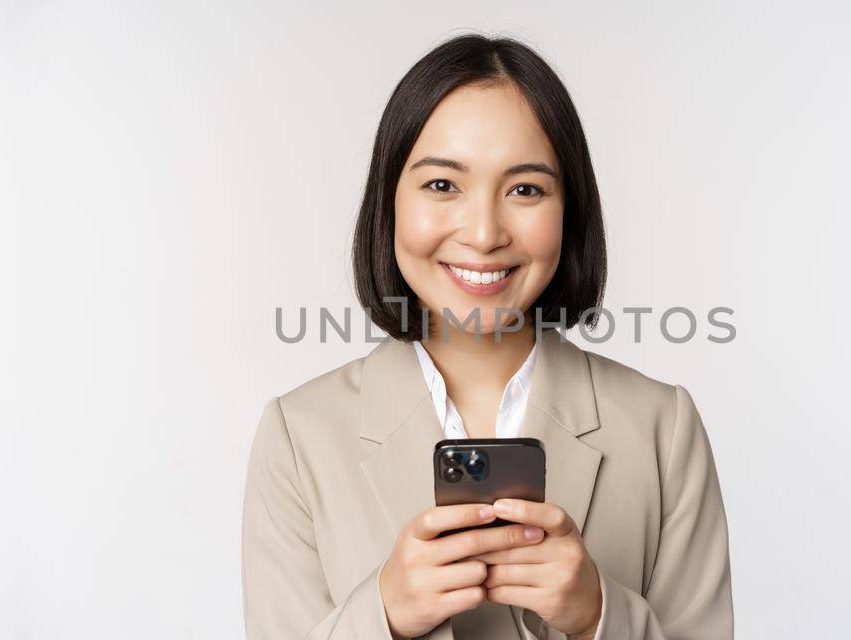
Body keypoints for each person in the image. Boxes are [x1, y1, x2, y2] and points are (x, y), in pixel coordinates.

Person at [242, 34, 732, 639]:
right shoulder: (299, 436)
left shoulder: (664, 428)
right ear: (389, 203)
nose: (483, 233)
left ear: (569, 210)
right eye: (442, 185)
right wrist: (383, 615)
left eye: (525, 189)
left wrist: (597, 615)